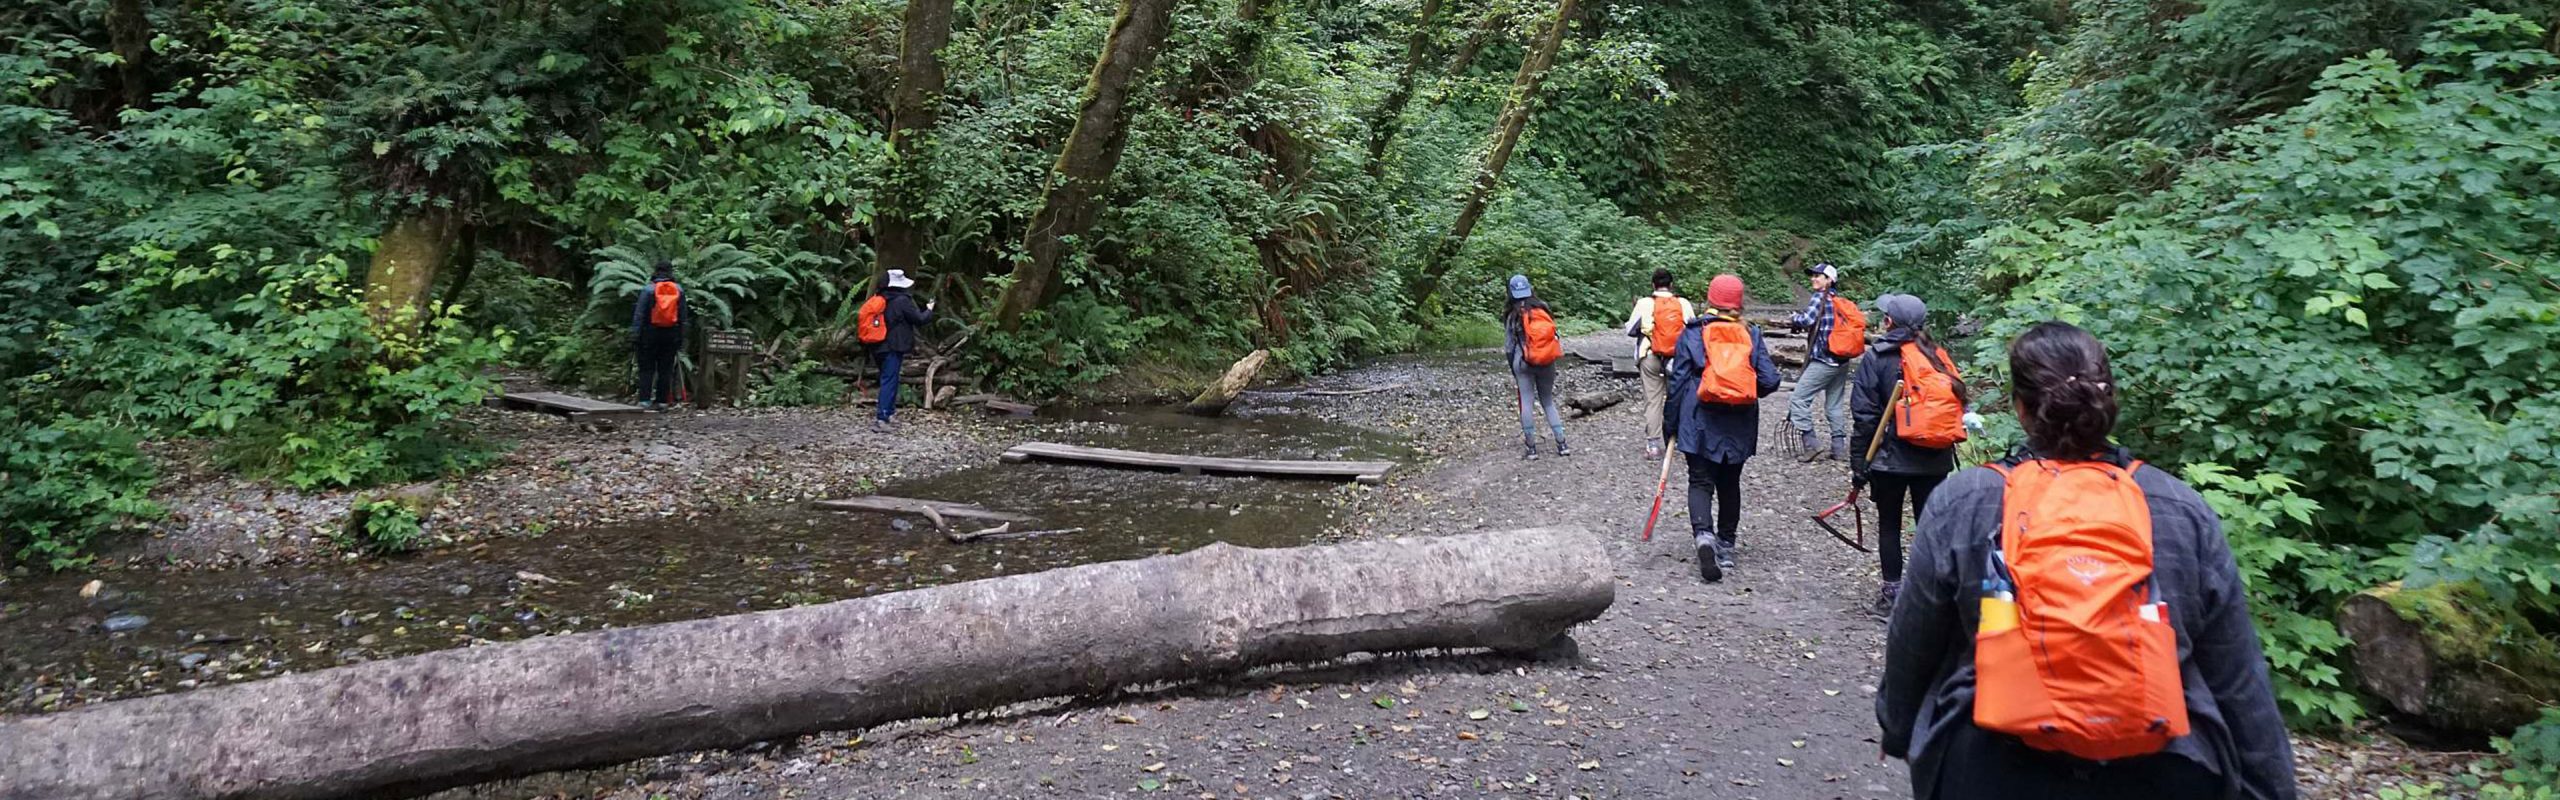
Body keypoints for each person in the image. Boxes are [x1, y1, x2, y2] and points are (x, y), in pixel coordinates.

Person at [1877, 321, 2297, 800]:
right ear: (2107, 402)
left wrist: (1898, 726)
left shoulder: (1966, 500)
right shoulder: (2178, 506)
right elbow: (2235, 672)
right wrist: (2269, 787)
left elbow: (1915, 636)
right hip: (2163, 764)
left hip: (1993, 760)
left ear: (2021, 408)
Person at [1848, 294, 1966, 613]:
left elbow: (1865, 417)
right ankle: (1930, 597)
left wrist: (1859, 464)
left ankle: (1891, 596)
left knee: (1890, 525)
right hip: (1936, 457)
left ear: (1888, 322)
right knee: (1928, 528)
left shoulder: (1878, 357)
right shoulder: (1937, 356)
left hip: (1890, 460)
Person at [1662, 273, 1780, 583]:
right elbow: (1770, 380)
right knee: (1730, 482)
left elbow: (1676, 385)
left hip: (1698, 420)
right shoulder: (1751, 334)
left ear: (1711, 299)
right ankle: (1726, 547)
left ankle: (1704, 536)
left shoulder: (1692, 334)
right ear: (1739, 303)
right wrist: (1743, 391)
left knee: (1700, 481)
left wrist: (1670, 424)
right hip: (1739, 422)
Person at [1786, 263, 1857, 461]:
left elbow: (1807, 319)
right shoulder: (1837, 301)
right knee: (1834, 403)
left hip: (1824, 360)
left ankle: (1812, 443)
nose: (1814, 279)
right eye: (1814, 275)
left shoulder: (1820, 297)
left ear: (1829, 280)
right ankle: (1839, 447)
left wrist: (1794, 318)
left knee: (1798, 399)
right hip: (1841, 360)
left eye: (1819, 276)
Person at [1622, 269, 1694, 459]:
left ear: (1653, 285)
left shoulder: (1644, 303)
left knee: (1652, 401)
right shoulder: (1683, 303)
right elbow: (1693, 328)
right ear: (1671, 285)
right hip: (1677, 358)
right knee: (1677, 398)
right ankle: (1677, 440)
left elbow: (1630, 329)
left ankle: (1653, 446)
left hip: (1650, 356)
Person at [1501, 274, 1569, 460]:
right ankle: (1562, 443)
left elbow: (1509, 347)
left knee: (1527, 402)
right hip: (1547, 360)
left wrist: (1513, 370)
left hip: (1522, 362)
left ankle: (1531, 448)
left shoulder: (1512, 314)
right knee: (1548, 401)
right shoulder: (1542, 308)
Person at [871, 269, 935, 431]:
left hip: (877, 345)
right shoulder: (902, 301)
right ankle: (882, 418)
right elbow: (919, 319)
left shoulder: (879, 299)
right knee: (889, 381)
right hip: (893, 346)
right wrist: (929, 309)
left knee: (888, 379)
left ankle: (889, 413)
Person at [630, 260, 689, 408]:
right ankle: (662, 401)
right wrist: (681, 337)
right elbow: (683, 316)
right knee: (666, 368)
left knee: (646, 367)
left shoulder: (648, 290)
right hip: (671, 334)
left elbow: (639, 314)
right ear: (670, 272)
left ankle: (644, 400)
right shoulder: (678, 290)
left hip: (649, 334)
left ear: (656, 271)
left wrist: (635, 335)